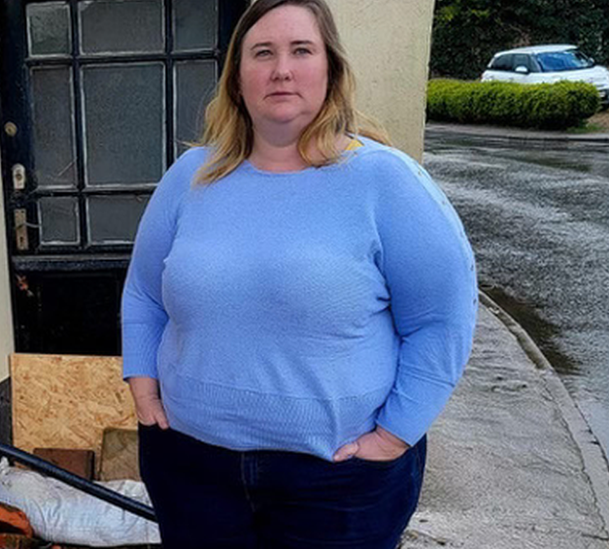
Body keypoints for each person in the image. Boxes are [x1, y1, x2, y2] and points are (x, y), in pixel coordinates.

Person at [120, 0, 479, 547]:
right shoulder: (190, 177)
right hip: (192, 470)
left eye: (301, 51)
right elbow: (145, 292)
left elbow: (442, 319)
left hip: (336, 483)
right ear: (237, 78)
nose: (281, 69)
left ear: (330, 70)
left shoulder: (387, 182)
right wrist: (143, 387)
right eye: (262, 53)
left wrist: (395, 433)